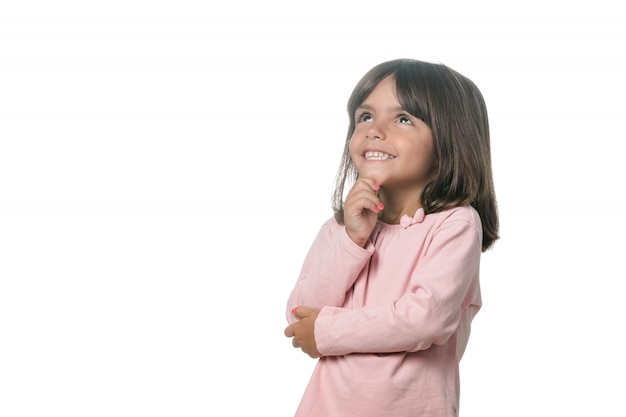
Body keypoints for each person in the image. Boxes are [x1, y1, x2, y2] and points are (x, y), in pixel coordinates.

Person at [283, 58, 499, 417]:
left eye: (402, 119)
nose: (374, 129)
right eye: (365, 116)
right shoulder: (339, 229)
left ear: (450, 141)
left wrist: (328, 331)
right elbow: (299, 315)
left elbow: (425, 318)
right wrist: (352, 241)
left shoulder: (455, 225)